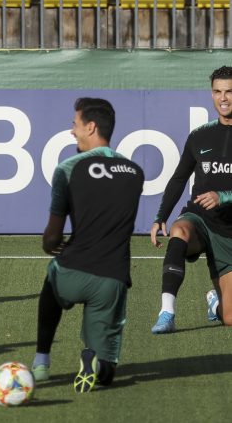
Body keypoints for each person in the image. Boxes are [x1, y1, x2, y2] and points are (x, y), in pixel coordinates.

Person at [31, 98, 144, 392]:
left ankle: (41, 361)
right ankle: (96, 363)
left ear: (90, 127)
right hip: (111, 280)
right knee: (107, 369)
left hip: (72, 272)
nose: (72, 131)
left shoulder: (67, 169)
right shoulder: (134, 172)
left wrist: (51, 245)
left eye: (75, 124)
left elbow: (53, 236)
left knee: (51, 282)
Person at [151, 66, 232, 333]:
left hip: (229, 236)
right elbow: (178, 179)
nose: (223, 98)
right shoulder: (200, 135)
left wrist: (224, 196)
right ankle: (166, 313)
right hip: (201, 221)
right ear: (211, 94)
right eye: (218, 91)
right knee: (180, 231)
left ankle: (214, 303)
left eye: (230, 92)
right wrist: (160, 216)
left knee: (230, 317)